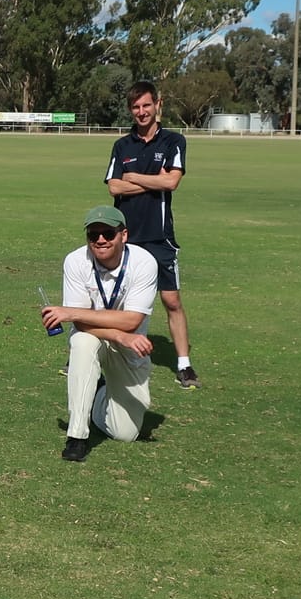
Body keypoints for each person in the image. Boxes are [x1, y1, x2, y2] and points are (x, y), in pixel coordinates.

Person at [43, 206, 158, 463]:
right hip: (95, 336)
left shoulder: (144, 262)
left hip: (131, 346)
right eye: (93, 235)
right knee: (82, 343)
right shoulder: (75, 261)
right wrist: (117, 334)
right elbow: (80, 324)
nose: (100, 240)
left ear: (123, 235)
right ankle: (77, 437)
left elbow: (132, 320)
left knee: (125, 433)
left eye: (108, 233)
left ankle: (98, 392)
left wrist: (121, 336)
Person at [106, 79, 197, 388]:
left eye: (146, 105)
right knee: (112, 299)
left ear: (158, 104)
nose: (141, 112)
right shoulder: (122, 145)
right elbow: (114, 186)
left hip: (159, 237)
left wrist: (133, 177)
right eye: (135, 107)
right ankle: (97, 354)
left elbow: (171, 183)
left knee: (171, 301)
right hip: (125, 237)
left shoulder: (173, 141)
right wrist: (149, 180)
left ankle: (184, 364)